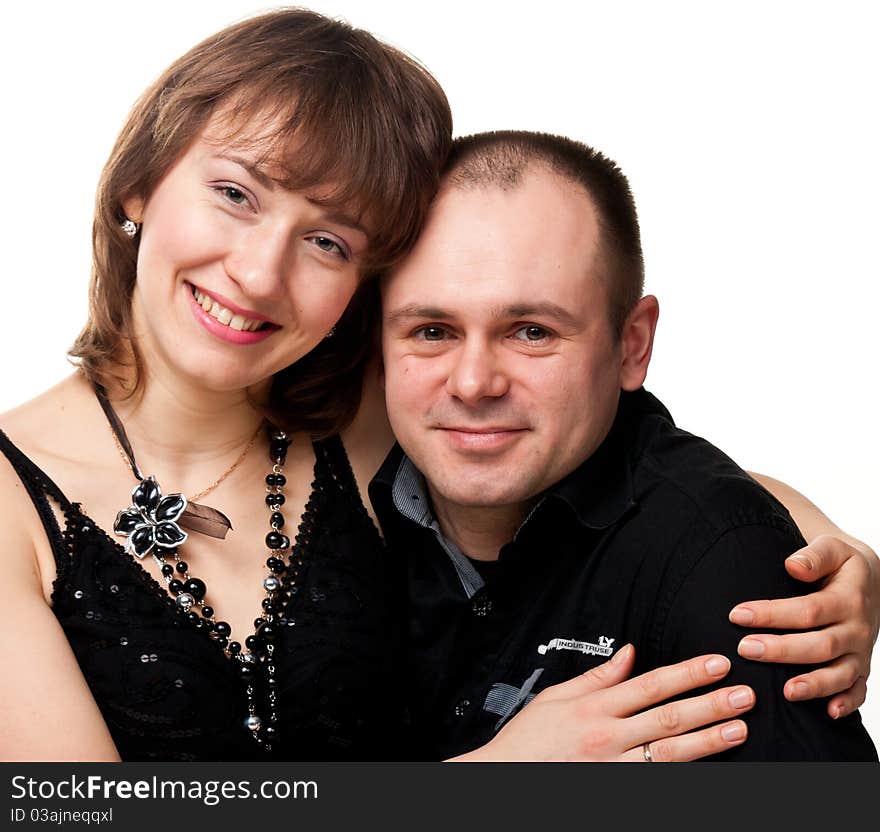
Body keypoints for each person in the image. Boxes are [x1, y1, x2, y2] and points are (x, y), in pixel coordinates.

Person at [0, 9, 875, 763]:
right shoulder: (11, 505)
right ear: (139, 184)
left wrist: (825, 552)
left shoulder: (370, 421)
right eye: (235, 193)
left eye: (329, 241)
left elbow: (616, 462)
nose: (260, 273)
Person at [373, 130, 879, 761]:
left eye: (531, 331)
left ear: (633, 344)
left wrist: (758, 531)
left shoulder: (725, 566)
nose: (474, 383)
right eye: (432, 330)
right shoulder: (307, 492)